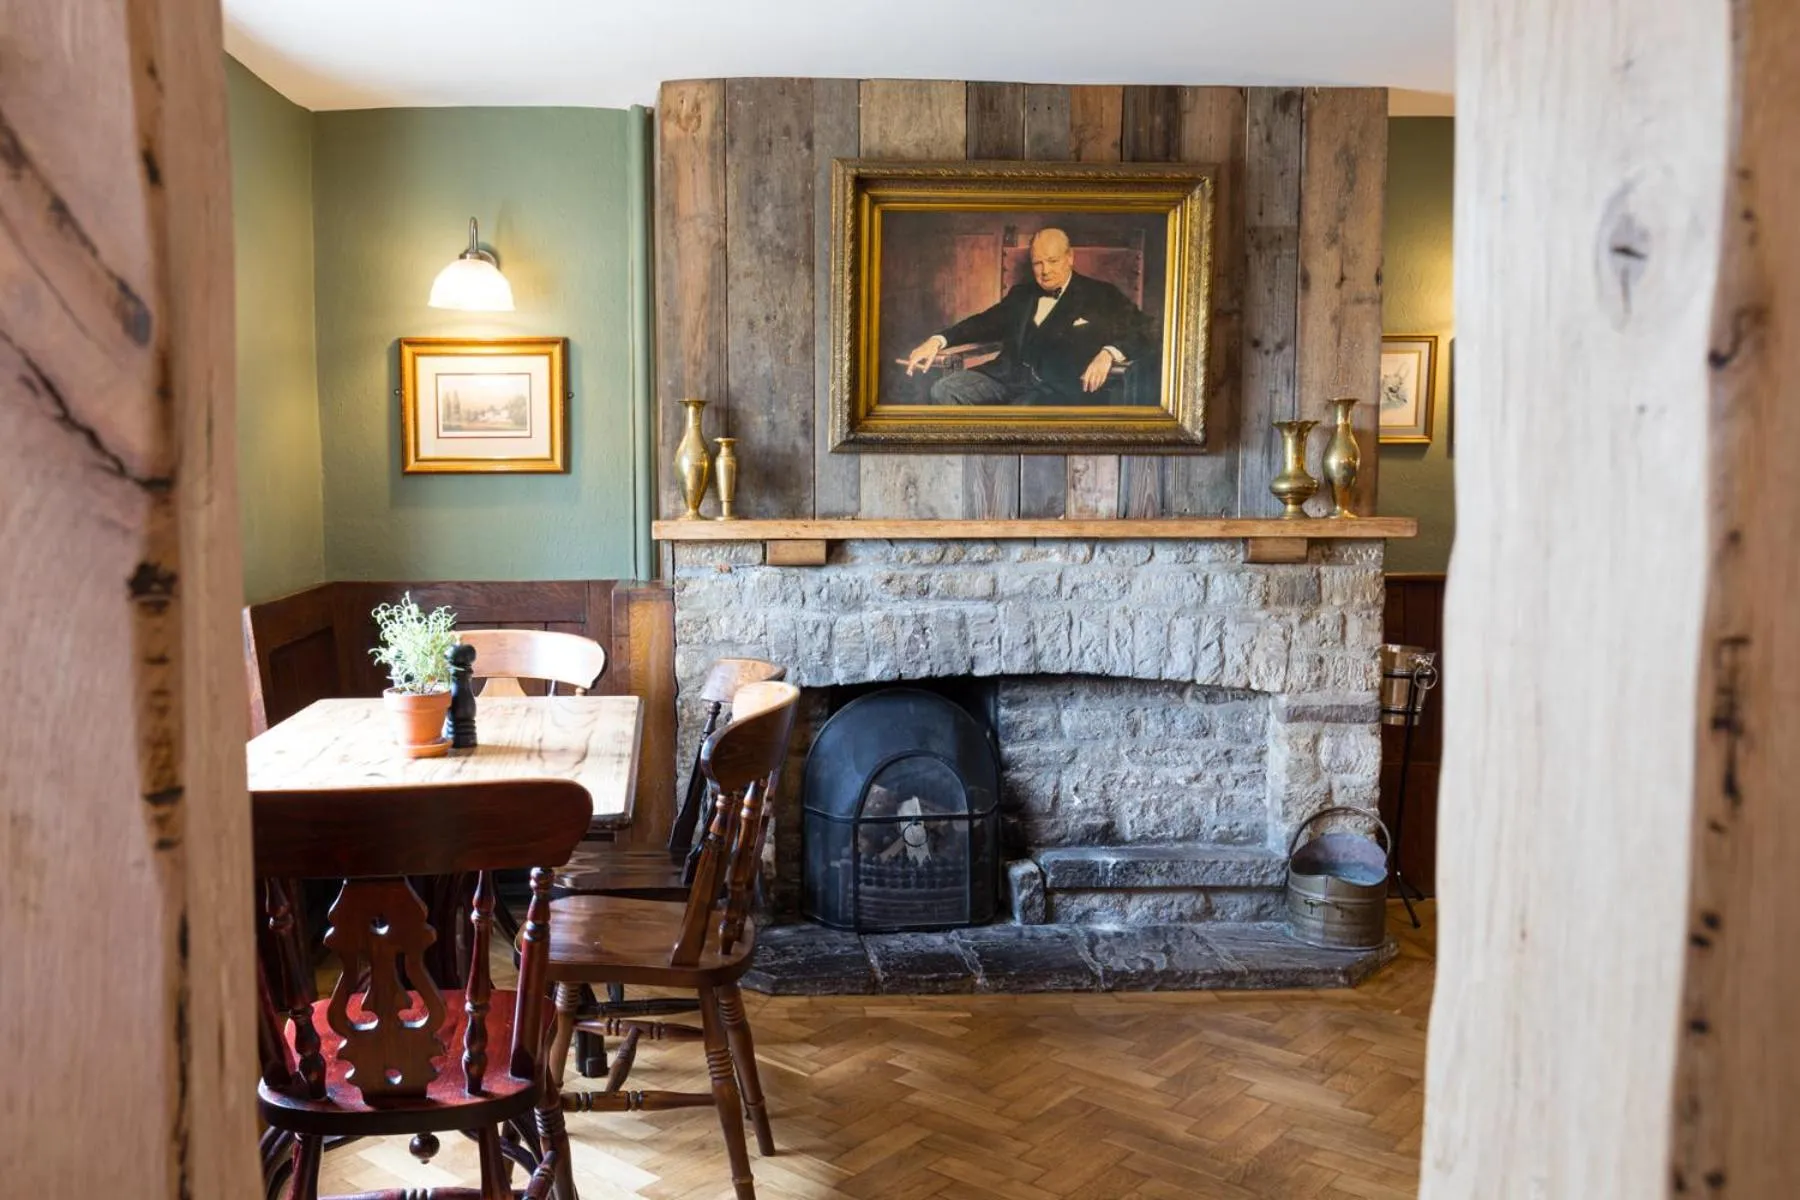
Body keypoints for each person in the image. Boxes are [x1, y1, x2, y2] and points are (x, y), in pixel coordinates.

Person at [902, 227, 1157, 405]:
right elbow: (983, 323)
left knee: (1020, 415)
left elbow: (1146, 330)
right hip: (1005, 377)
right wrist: (937, 340)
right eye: (1037, 263)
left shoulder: (1100, 294)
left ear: (1070, 258)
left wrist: (1108, 353)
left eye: (1053, 261)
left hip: (1056, 388)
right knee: (944, 390)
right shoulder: (1021, 294)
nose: (1045, 271)